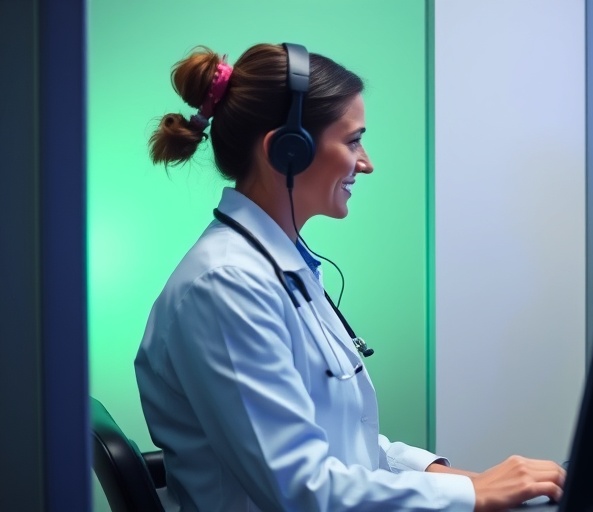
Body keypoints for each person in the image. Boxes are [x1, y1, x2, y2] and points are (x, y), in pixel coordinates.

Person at [135, 43, 564, 512]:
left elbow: (346, 446)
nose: (366, 162)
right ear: (287, 150)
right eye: (353, 140)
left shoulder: (278, 267)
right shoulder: (226, 286)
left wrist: (462, 480)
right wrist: (471, 494)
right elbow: (302, 490)